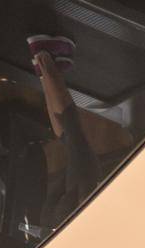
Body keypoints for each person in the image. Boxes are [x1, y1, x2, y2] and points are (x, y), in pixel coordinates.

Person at [28, 36, 107, 234]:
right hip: (53, 225)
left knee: (73, 131)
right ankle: (43, 68)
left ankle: (43, 52)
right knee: (68, 138)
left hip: (79, 208)